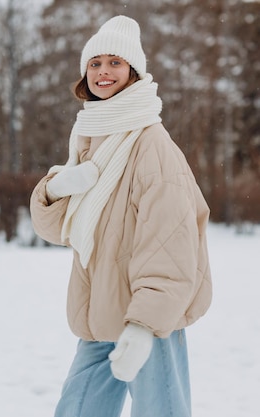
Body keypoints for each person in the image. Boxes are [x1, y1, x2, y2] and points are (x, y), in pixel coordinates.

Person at [29, 15, 212, 417]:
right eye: (95, 63)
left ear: (133, 72)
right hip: (100, 314)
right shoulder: (91, 139)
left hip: (149, 320)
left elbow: (171, 242)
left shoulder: (151, 145)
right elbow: (57, 229)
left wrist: (145, 325)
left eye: (115, 62)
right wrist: (55, 188)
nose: (103, 71)